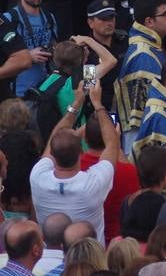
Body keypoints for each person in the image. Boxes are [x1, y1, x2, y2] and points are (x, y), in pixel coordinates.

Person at [30, 80, 119, 240]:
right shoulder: (91, 185)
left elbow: (55, 139)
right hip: (90, 258)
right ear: (81, 152)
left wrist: (76, 104)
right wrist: (98, 104)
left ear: (53, 154)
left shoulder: (37, 177)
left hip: (49, 258)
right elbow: (112, 143)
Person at [115, 0, 166, 148]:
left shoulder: (146, 45)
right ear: (149, 22)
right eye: (165, 14)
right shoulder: (144, 55)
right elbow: (144, 104)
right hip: (134, 130)